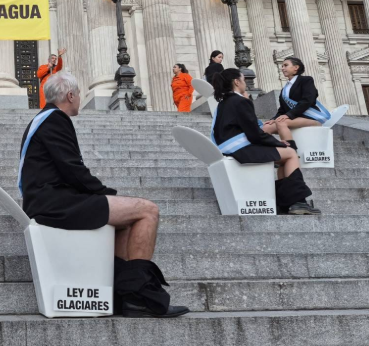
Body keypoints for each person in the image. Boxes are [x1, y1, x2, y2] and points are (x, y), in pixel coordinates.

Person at [19, 72, 189, 318]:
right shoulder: (55, 119)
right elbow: (73, 170)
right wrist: (107, 194)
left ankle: (125, 296)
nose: (79, 99)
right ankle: (141, 295)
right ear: (70, 95)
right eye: (78, 95)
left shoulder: (44, 119)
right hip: (54, 203)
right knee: (147, 210)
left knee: (125, 221)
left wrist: (107, 197)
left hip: (50, 199)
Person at [211, 68, 320, 215]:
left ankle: (287, 203)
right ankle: (298, 202)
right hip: (242, 150)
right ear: (237, 82)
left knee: (284, 158)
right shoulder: (241, 102)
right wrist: (279, 143)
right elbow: (254, 134)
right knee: (291, 154)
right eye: (243, 80)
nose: (245, 83)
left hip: (230, 148)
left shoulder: (224, 103)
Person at [262, 57, 329, 150]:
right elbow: (282, 109)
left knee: (282, 122)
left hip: (311, 118)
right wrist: (274, 119)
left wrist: (289, 115)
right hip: (293, 119)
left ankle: (291, 152)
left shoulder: (306, 80)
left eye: (285, 65)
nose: (282, 68)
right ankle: (274, 154)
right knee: (265, 128)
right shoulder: (285, 89)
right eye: (282, 66)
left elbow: (308, 100)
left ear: (296, 67)